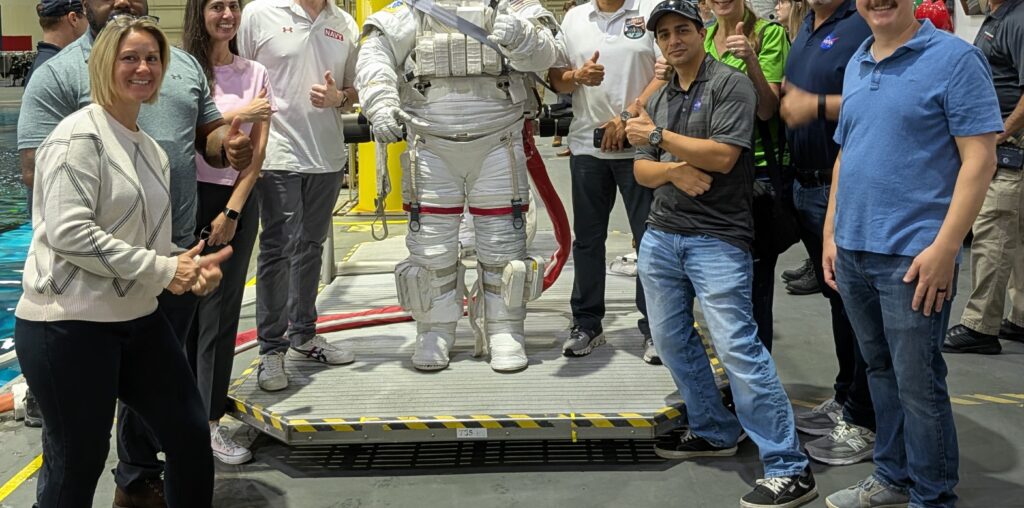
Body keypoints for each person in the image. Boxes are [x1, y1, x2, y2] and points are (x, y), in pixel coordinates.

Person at [17, 0, 253, 501]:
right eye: (130, 58)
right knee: (76, 461)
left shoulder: (148, 148)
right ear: (105, 65)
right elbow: (69, 233)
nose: (143, 68)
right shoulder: (76, 137)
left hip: (135, 316)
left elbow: (148, 236)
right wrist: (165, 267)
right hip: (67, 325)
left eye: (152, 59)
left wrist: (186, 264)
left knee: (189, 433)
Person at [628, 2, 816, 506]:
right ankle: (714, 429)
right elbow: (642, 171)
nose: (673, 40)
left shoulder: (730, 83)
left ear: (699, 32)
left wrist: (656, 139)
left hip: (717, 237)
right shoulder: (664, 94)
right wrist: (669, 168)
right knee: (669, 338)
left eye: (682, 30)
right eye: (664, 34)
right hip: (662, 233)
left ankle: (789, 464)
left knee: (737, 348)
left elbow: (722, 156)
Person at [821, 3, 1002, 506]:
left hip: (913, 257)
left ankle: (932, 496)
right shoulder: (859, 58)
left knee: (919, 384)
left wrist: (946, 247)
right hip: (855, 250)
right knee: (879, 371)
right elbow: (847, 152)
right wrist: (832, 235)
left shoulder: (955, 60)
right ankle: (892, 477)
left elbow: (980, 158)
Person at [356, 0, 559, 372]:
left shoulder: (513, 5)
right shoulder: (417, 7)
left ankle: (505, 329)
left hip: (498, 140)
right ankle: (434, 330)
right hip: (431, 145)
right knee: (431, 248)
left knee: (503, 244)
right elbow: (374, 51)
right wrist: (381, 103)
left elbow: (548, 54)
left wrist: (519, 34)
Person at [238, 0, 359, 391]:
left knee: (311, 246)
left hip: (326, 154)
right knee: (279, 249)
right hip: (277, 153)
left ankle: (304, 335)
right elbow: (237, 74)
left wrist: (337, 98)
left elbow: (353, 91)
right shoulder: (261, 13)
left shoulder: (344, 23)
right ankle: (271, 351)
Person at [778, 0, 876, 466]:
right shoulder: (808, 27)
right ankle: (846, 396)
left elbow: (878, 95)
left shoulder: (862, 23)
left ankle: (865, 419)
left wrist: (814, 105)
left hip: (842, 185)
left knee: (858, 306)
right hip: (806, 183)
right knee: (839, 300)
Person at [182, 0, 274, 463]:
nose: (227, 15)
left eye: (232, 6)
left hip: (233, 203)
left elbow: (255, 157)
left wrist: (231, 214)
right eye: (216, 6)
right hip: (184, 199)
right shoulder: (181, 69)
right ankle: (176, 418)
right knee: (181, 317)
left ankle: (210, 422)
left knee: (218, 320)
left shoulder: (254, 72)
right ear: (198, 13)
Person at [549, 0, 660, 364]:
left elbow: (666, 71)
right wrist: (576, 78)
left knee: (651, 242)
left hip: (641, 145)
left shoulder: (650, 6)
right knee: (588, 240)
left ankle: (656, 328)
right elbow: (556, 76)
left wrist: (628, 117)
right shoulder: (574, 18)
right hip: (586, 145)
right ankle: (587, 323)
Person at [702, 0, 789, 352]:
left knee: (754, 287)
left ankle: (756, 387)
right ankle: (737, 376)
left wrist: (751, 61)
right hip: (712, 169)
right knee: (720, 285)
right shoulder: (703, 38)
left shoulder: (768, 34)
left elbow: (767, 108)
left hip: (755, 171)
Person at [18, 0, 89, 433]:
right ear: (75, 18)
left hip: (53, 221)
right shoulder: (56, 72)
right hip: (62, 226)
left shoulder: (43, 66)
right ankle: (41, 397)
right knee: (56, 307)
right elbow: (33, 168)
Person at [943, 0, 1024, 355]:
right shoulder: (999, 16)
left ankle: (980, 325)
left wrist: (1000, 134)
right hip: (1004, 141)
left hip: (1010, 145)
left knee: (994, 228)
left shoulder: (1018, 20)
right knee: (1016, 235)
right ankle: (1021, 317)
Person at [25, 0, 88, 85]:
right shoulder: (57, 70)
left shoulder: (43, 64)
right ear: (73, 19)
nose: (89, 25)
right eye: (87, 17)